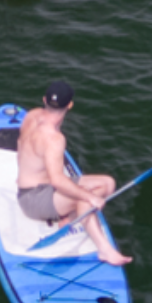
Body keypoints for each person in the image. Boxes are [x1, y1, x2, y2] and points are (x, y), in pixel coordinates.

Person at [16, 81, 131, 264]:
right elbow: (57, 181)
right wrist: (90, 198)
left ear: (44, 100)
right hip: (33, 199)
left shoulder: (32, 115)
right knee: (86, 198)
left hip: (34, 189)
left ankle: (67, 217)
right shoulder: (54, 139)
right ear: (70, 105)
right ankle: (105, 250)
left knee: (108, 184)